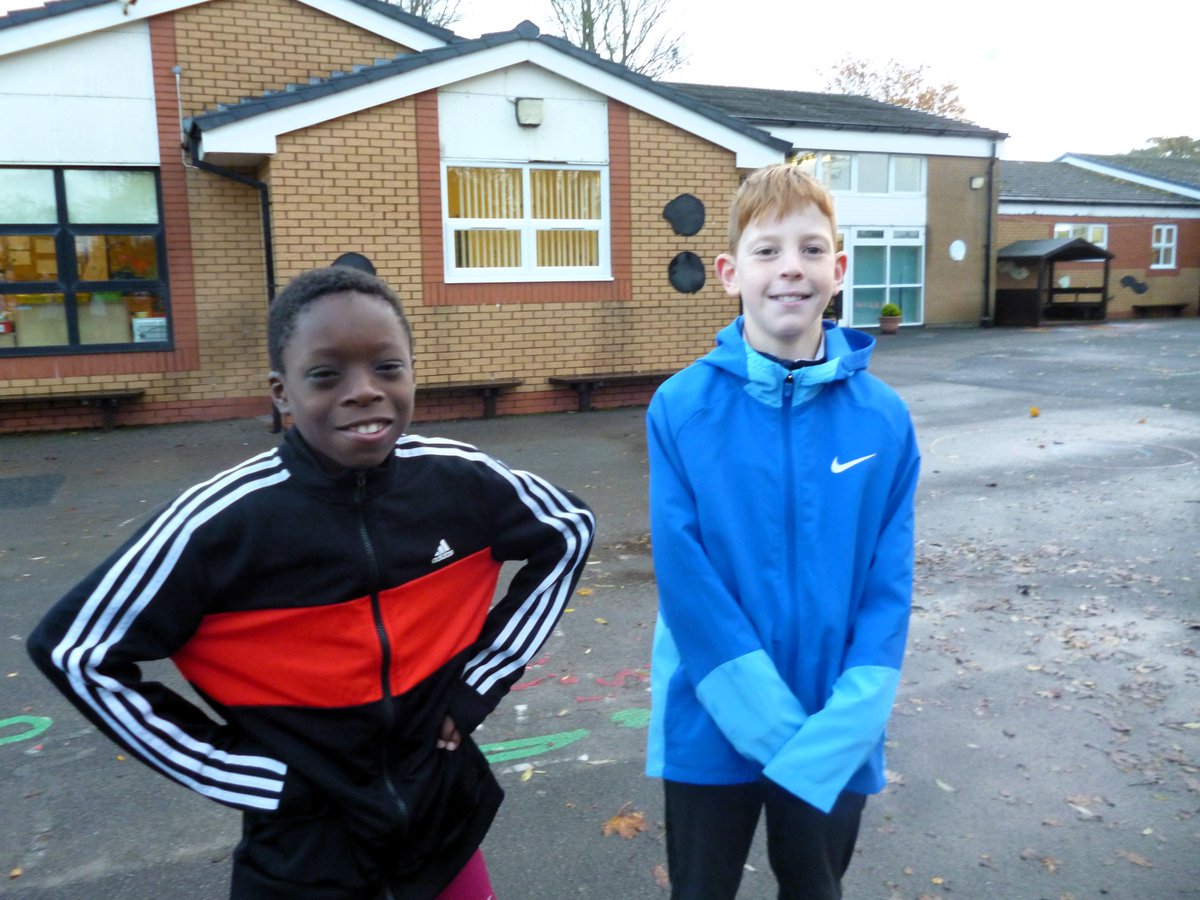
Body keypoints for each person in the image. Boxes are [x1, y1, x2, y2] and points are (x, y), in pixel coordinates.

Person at [27, 266, 595, 899]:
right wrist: (244, 773)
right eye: (326, 375)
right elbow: (74, 651)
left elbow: (568, 530)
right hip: (304, 850)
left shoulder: (458, 481)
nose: (364, 391)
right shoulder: (223, 522)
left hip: (441, 820)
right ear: (281, 392)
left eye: (388, 367)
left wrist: (477, 683)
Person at [644, 164, 920, 899]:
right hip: (711, 718)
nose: (789, 268)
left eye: (809, 248)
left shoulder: (884, 419)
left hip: (837, 725)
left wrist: (846, 722)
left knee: (816, 888)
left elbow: (888, 588)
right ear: (731, 273)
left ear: (839, 268)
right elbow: (686, 580)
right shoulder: (680, 407)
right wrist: (775, 732)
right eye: (767, 251)